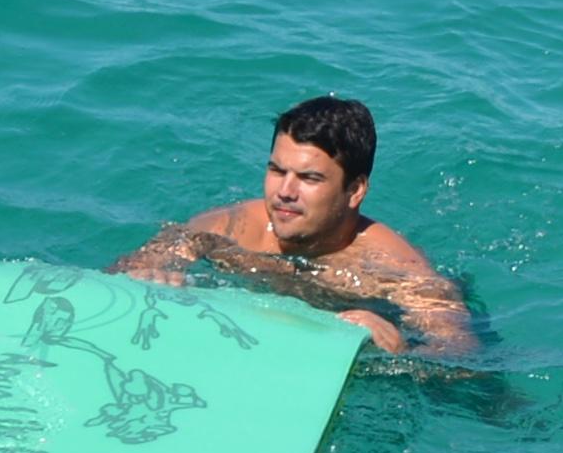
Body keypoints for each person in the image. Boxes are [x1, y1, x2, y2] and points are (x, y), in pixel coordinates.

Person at [126, 94, 477, 358]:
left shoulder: (394, 270)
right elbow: (131, 269)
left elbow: (461, 354)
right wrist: (151, 274)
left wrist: (399, 349)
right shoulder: (227, 229)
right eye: (277, 171)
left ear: (355, 190)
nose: (284, 193)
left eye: (309, 178)